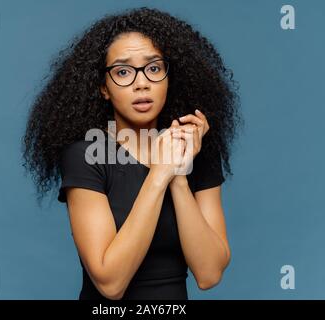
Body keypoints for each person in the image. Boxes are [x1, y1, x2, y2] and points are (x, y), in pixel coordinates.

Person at [22, 7, 241, 300]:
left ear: (168, 77)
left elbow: (209, 274)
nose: (141, 82)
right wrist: (160, 173)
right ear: (103, 88)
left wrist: (177, 177)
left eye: (153, 68)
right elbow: (110, 284)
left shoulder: (195, 149)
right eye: (123, 71)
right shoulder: (86, 154)